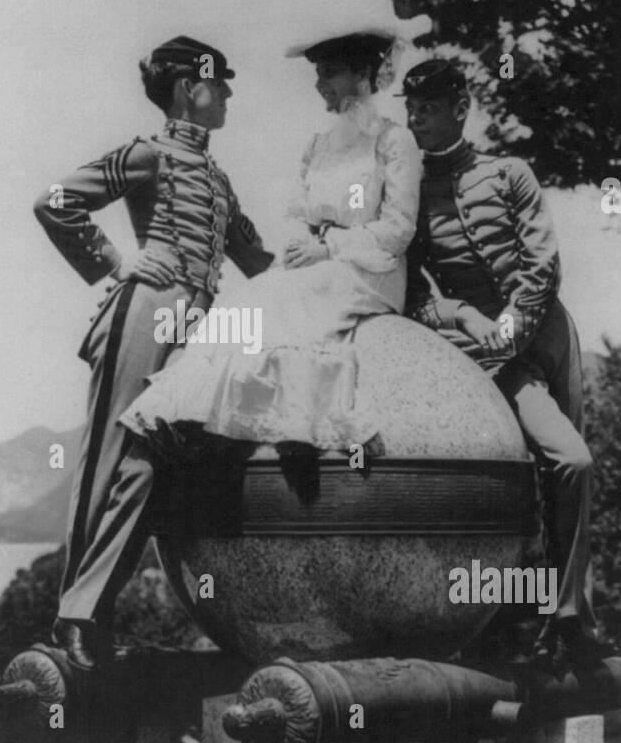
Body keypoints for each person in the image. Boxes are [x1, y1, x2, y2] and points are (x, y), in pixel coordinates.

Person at [33, 36, 273, 669]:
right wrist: (116, 263)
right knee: (109, 461)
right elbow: (55, 202)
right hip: (146, 312)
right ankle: (75, 618)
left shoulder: (218, 179)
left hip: (196, 327)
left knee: (151, 466)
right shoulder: (148, 155)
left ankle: (90, 609)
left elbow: (257, 260)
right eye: (216, 82)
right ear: (184, 90)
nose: (226, 93)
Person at [121, 31, 421, 452]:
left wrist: (330, 247)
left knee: (278, 306)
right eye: (318, 74)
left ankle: (301, 423)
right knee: (248, 300)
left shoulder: (395, 141)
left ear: (365, 74)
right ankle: (192, 417)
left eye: (331, 73)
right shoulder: (319, 146)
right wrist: (302, 246)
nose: (320, 85)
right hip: (317, 268)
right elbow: (297, 215)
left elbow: (398, 229)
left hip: (371, 271)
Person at [400, 58, 598, 673]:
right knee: (553, 468)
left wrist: (509, 329)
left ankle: (572, 620)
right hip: (486, 357)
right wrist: (461, 317)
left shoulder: (509, 173)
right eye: (409, 110)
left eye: (426, 109)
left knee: (569, 470)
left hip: (547, 342)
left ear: (460, 106)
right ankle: (507, 623)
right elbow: (416, 294)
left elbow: (542, 268)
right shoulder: (409, 194)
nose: (414, 120)